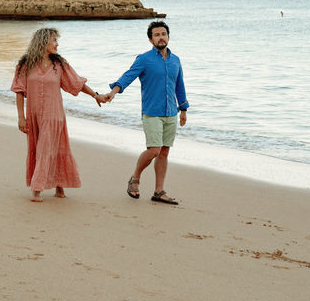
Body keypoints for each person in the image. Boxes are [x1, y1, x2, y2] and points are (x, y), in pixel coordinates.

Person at [96, 20, 188, 205]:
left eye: (163, 34)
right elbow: (128, 76)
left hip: (171, 112)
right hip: (152, 112)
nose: (161, 37)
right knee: (153, 150)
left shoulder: (175, 60)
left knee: (164, 153)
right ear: (150, 39)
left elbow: (179, 85)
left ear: (168, 36)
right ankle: (135, 178)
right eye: (157, 35)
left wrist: (183, 109)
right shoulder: (144, 59)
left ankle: (159, 191)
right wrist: (113, 92)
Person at [11, 27, 103, 202]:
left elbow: (77, 83)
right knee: (50, 148)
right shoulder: (25, 64)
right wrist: (21, 117)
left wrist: (96, 95)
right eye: (54, 40)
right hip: (34, 116)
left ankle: (37, 189)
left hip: (54, 115)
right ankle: (59, 188)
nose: (57, 44)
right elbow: (19, 91)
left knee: (48, 148)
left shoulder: (59, 65)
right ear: (43, 41)